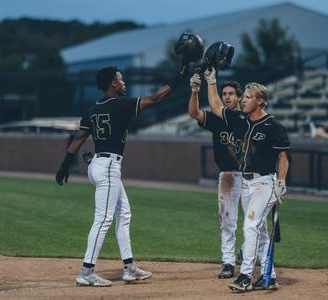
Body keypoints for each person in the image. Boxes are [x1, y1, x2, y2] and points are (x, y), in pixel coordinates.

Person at [55, 66, 184, 287]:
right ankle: (86, 272)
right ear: (112, 84)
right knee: (103, 219)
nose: (123, 83)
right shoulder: (122, 105)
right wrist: (180, 75)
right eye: (120, 79)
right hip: (107, 167)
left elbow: (78, 138)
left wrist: (65, 164)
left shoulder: (92, 110)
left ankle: (129, 268)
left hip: (99, 164)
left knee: (123, 213)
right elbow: (155, 98)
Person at [203, 68, 290, 292]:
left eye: (249, 97)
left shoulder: (273, 126)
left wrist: (281, 181)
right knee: (259, 231)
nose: (243, 101)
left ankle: (245, 275)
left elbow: (283, 157)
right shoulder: (241, 120)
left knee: (250, 225)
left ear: (260, 101)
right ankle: (269, 277)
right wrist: (211, 80)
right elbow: (215, 106)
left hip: (265, 183)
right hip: (247, 183)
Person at [188, 73, 244, 279]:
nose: (227, 97)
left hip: (251, 175)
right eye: (224, 94)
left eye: (231, 94)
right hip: (228, 175)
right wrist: (195, 90)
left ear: (240, 97)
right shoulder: (217, 119)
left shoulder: (246, 118)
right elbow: (193, 112)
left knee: (256, 223)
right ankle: (228, 263)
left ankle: (246, 252)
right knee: (227, 221)